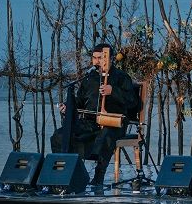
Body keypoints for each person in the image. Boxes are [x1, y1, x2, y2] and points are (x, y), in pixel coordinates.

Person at [52, 42, 140, 188]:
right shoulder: (89, 78)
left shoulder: (121, 77)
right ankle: (68, 174)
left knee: (105, 136)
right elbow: (80, 101)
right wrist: (68, 107)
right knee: (60, 135)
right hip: (90, 122)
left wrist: (113, 91)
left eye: (100, 58)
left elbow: (132, 102)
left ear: (110, 58)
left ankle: (98, 176)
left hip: (113, 123)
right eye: (94, 58)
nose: (96, 61)